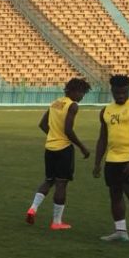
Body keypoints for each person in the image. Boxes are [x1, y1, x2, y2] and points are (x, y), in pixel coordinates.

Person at [25, 78, 92, 229]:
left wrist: (53, 135)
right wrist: (82, 147)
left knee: (49, 180)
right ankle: (56, 222)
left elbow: (42, 124)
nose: (82, 96)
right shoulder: (72, 105)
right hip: (63, 149)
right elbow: (68, 130)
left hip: (50, 148)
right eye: (82, 93)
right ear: (74, 91)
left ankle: (33, 208)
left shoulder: (55, 102)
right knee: (61, 183)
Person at [93, 74, 129, 249]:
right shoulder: (106, 111)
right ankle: (120, 231)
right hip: (112, 160)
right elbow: (102, 138)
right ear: (112, 91)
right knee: (115, 195)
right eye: (117, 93)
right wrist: (97, 162)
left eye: (124, 92)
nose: (121, 96)